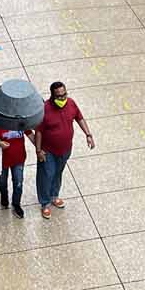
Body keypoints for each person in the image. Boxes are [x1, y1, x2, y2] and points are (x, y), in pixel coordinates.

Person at [34, 81, 93, 219]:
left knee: (57, 173)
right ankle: (45, 203)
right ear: (52, 96)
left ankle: (54, 196)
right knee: (46, 176)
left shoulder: (71, 103)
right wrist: (38, 150)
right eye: (59, 96)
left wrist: (88, 134)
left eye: (64, 94)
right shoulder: (44, 109)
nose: (62, 98)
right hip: (48, 151)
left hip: (65, 149)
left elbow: (79, 118)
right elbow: (39, 132)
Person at [0, 118, 34, 218]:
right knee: (2, 182)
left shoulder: (20, 119)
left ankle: (16, 204)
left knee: (18, 183)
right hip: (1, 161)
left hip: (19, 159)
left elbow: (30, 134)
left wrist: (40, 149)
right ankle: (4, 197)